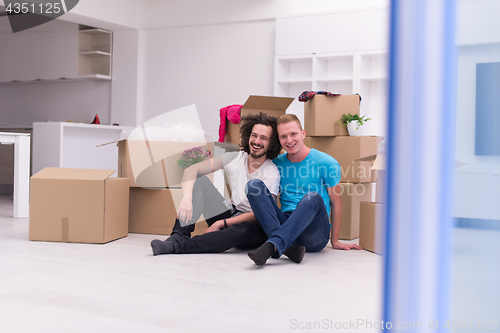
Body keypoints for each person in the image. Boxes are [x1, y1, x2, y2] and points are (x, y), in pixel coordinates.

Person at [150, 112, 281, 255]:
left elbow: (262, 214)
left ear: (271, 143)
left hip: (253, 227)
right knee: (200, 181)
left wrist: (222, 223)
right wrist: (187, 198)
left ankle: (177, 247)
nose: (257, 141)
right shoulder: (235, 158)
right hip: (232, 212)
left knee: (243, 230)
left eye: (264, 138)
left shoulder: (271, 172)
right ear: (248, 135)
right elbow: (192, 169)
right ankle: (178, 235)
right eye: (254, 135)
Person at [245, 114, 362, 265]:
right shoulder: (276, 163)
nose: (289, 140)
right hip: (286, 225)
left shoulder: (326, 162)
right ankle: (285, 248)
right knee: (253, 186)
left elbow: (337, 203)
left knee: (312, 197)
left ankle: (271, 245)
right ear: (279, 140)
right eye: (283, 136)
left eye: (293, 134)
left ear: (303, 133)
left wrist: (335, 241)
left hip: (314, 233)